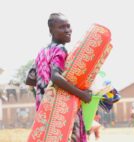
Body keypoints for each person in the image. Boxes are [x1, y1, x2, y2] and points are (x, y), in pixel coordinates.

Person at [25, 13, 92, 142]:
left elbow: (30, 79)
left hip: (44, 108)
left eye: (68, 26)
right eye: (62, 27)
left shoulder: (43, 51)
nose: (67, 30)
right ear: (51, 30)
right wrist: (82, 94)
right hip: (61, 106)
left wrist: (43, 90)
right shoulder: (60, 49)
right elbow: (55, 77)